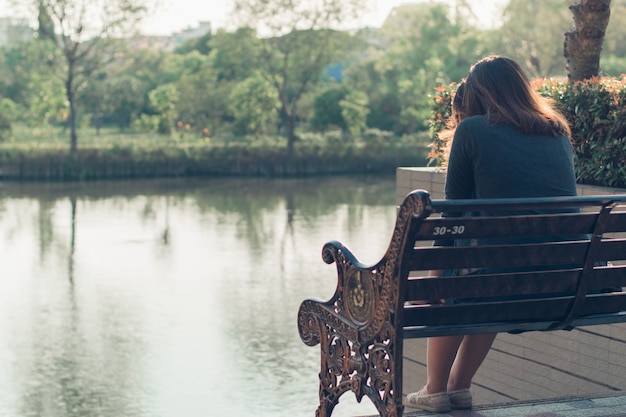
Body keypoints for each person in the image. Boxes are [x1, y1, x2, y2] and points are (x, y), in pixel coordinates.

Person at [405, 55, 578, 413]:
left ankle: (436, 389)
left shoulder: (472, 130)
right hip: (563, 279)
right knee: (489, 272)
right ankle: (458, 386)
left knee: (468, 279)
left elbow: (450, 216)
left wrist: (433, 284)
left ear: (480, 94)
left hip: (501, 280)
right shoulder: (556, 129)